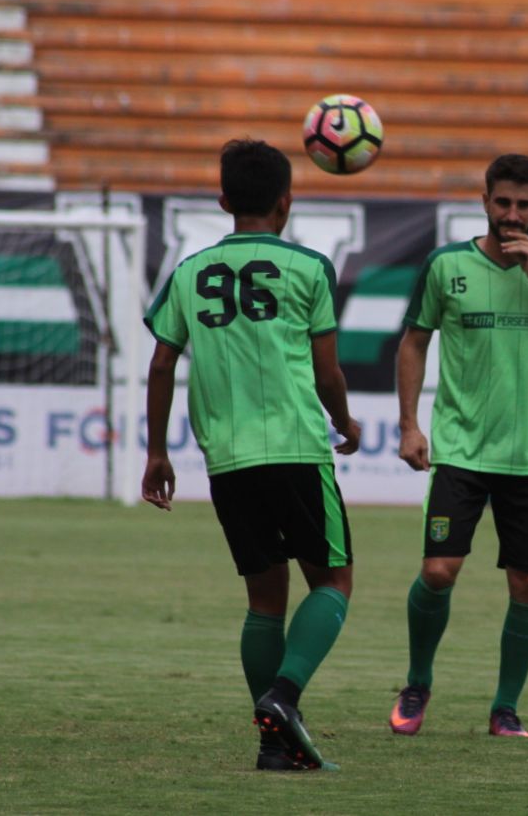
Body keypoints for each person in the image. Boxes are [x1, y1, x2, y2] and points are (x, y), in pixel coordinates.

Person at [140, 139, 362, 772]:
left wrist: (157, 452)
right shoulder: (309, 268)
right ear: (286, 202)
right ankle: (284, 698)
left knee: (265, 600)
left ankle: (273, 745)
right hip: (295, 447)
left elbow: (161, 363)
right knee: (334, 582)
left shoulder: (189, 273)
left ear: (224, 200)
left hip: (227, 459)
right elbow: (326, 371)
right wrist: (345, 422)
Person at [388, 153, 528, 738]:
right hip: (460, 449)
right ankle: (418, 682)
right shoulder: (446, 264)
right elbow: (413, 342)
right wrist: (409, 425)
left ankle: (505, 707)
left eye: (524, 204)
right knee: (439, 570)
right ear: (484, 202)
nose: (512, 214)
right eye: (502, 202)